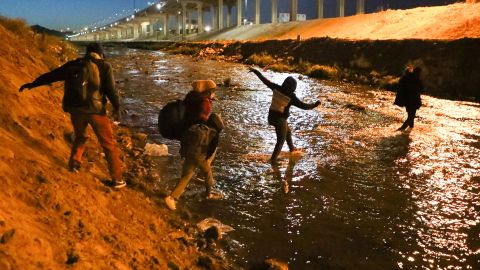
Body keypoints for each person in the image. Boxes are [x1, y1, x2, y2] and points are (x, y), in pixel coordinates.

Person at [19, 43, 125, 189]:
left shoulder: (73, 64)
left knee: (80, 137)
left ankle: (74, 165)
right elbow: (111, 90)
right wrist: (117, 107)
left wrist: (33, 84)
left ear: (87, 53)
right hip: (96, 112)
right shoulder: (104, 66)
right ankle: (117, 179)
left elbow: (52, 75)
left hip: (76, 111)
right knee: (108, 144)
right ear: (100, 54)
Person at [164, 80, 224, 211]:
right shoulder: (205, 103)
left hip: (187, 137)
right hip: (197, 141)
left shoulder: (190, 98)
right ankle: (175, 197)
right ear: (208, 91)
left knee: (188, 172)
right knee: (206, 170)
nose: (213, 93)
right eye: (212, 91)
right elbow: (203, 122)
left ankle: (175, 196)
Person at [249, 67, 320, 164]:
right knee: (280, 141)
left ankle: (292, 149)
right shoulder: (291, 97)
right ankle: (273, 160)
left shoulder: (276, 88)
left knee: (288, 132)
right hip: (280, 120)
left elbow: (264, 80)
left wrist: (255, 71)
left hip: (271, 117)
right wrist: (314, 105)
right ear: (293, 88)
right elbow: (304, 106)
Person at [394, 67, 424, 131]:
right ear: (418, 72)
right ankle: (401, 129)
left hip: (406, 100)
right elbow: (422, 90)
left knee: (410, 115)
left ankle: (410, 129)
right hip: (414, 100)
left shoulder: (407, 77)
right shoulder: (417, 79)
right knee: (411, 116)